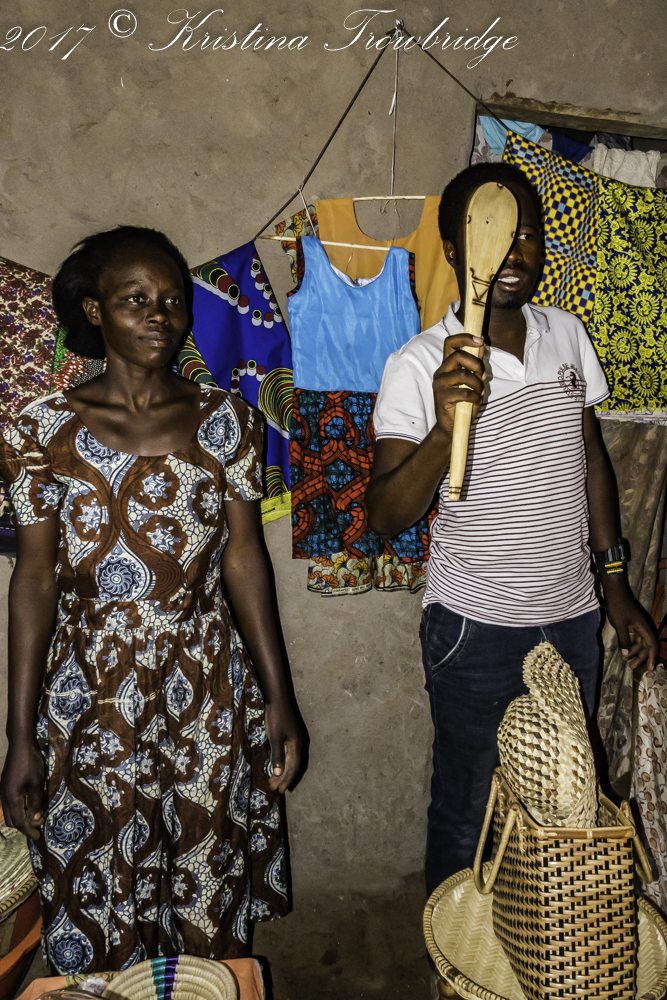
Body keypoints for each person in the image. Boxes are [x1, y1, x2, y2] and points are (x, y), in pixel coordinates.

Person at [0, 226, 303, 974]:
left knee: (206, 876)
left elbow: (244, 559)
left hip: (208, 687)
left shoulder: (227, 420)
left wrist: (279, 697)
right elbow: (33, 579)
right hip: (88, 696)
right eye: (135, 299)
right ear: (94, 310)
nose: (159, 314)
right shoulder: (40, 429)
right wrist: (19, 736)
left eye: (171, 299)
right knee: (98, 878)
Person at [365, 162, 657, 898]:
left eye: (528, 233)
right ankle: (453, 951)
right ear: (453, 248)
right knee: (468, 808)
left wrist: (615, 585)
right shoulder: (418, 363)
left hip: (571, 619)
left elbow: (590, 459)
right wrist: (445, 427)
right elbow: (386, 515)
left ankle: (531, 940)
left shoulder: (566, 334)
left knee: (561, 801)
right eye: (494, 235)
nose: (513, 251)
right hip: (475, 626)